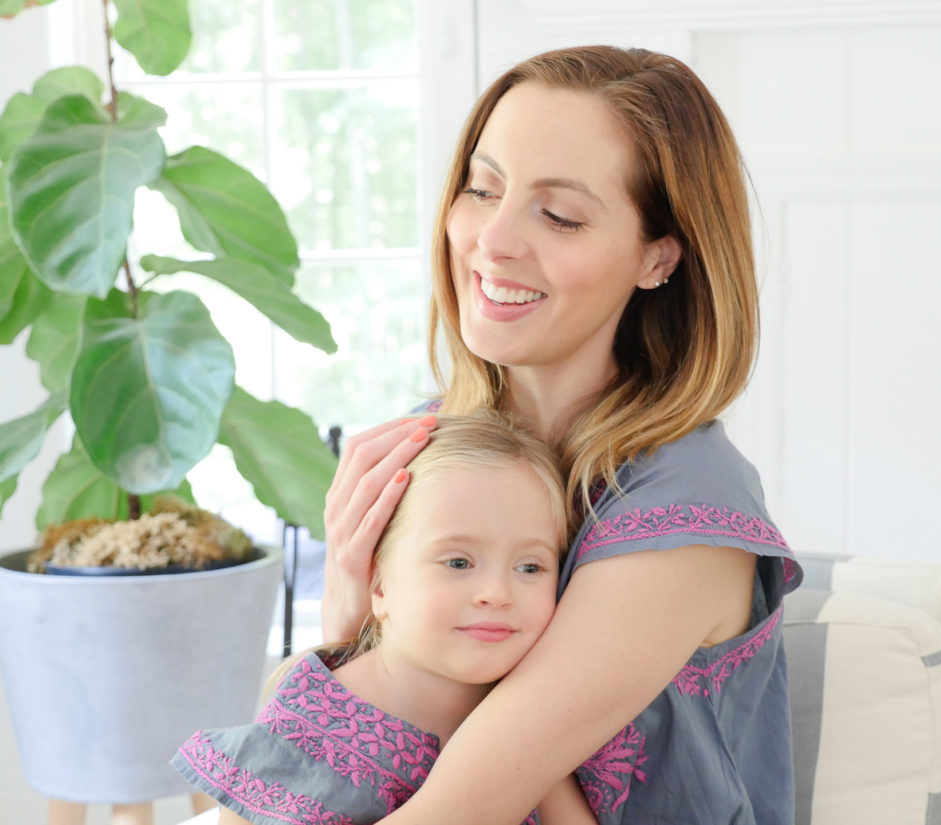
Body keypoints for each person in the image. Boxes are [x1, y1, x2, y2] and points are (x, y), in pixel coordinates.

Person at [322, 45, 803, 825]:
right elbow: (315, 750)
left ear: (659, 257)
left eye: (559, 215)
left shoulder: (689, 507)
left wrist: (367, 622)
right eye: (483, 188)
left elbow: (455, 808)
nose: (493, 240)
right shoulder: (433, 444)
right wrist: (347, 613)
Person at [171, 413, 596, 825]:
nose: (496, 594)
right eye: (458, 562)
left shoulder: (533, 707)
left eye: (530, 568)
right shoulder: (308, 727)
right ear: (379, 585)